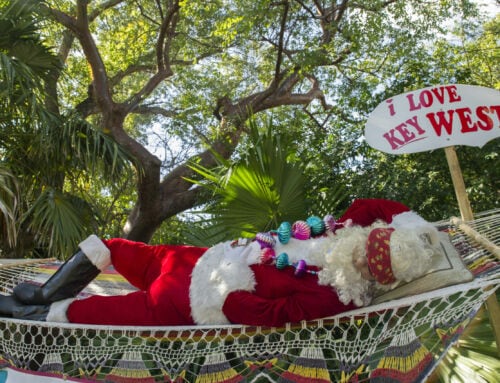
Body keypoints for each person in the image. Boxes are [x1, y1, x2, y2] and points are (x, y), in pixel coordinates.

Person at [0, 199, 439, 327]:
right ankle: (43, 291)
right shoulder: (341, 228)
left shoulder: (337, 296)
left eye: (369, 257)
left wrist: (231, 302)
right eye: (371, 240)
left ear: (374, 274)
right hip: (189, 259)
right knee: (112, 245)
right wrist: (412, 223)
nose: (361, 248)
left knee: (88, 313)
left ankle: (31, 311)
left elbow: (278, 315)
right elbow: (370, 205)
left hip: (187, 304)